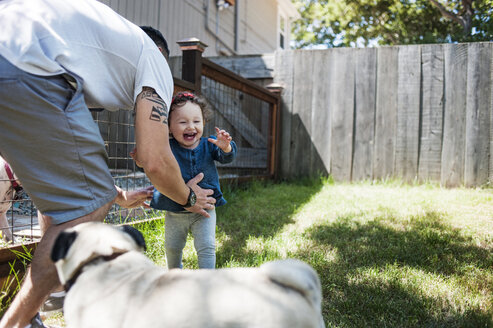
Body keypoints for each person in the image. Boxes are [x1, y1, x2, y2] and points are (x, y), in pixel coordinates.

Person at [0, 1, 216, 327]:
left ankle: (59, 288)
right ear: (162, 52)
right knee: (83, 210)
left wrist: (118, 195)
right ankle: (19, 321)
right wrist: (188, 197)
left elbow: (67, 169)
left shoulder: (90, 46)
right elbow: (153, 159)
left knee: (68, 201)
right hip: (25, 66)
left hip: (14, 52)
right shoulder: (153, 59)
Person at [150, 92, 237, 269]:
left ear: (204, 123)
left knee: (207, 247)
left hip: (205, 210)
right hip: (175, 211)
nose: (191, 127)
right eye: (183, 122)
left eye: (196, 121)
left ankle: (207, 280)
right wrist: (139, 160)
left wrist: (226, 147)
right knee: (173, 247)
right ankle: (174, 275)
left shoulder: (208, 144)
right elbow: (153, 166)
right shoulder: (167, 148)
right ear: (169, 127)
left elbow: (226, 157)